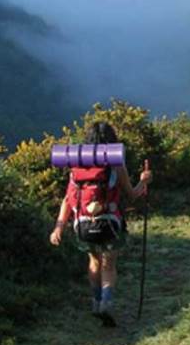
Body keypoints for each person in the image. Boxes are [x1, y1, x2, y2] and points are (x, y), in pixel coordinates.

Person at [48, 122, 151, 325]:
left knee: (94, 262)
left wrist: (58, 226)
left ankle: (96, 302)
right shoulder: (115, 164)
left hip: (83, 225)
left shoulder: (76, 165)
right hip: (110, 223)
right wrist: (144, 181)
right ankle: (106, 302)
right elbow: (132, 195)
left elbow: (68, 199)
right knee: (109, 264)